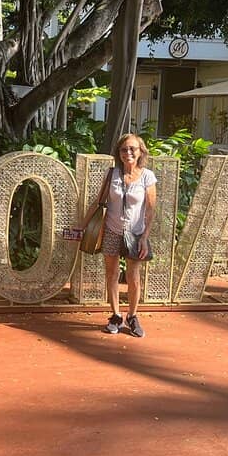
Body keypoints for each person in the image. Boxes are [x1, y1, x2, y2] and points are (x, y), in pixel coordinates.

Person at [81, 133, 157, 338]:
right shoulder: (112, 174)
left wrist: (144, 237)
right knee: (111, 273)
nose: (128, 153)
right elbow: (99, 203)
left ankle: (132, 316)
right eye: (124, 149)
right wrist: (83, 226)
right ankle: (115, 315)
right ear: (119, 153)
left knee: (133, 277)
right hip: (112, 230)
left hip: (135, 233)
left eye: (132, 149)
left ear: (141, 151)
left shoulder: (147, 176)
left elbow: (150, 210)